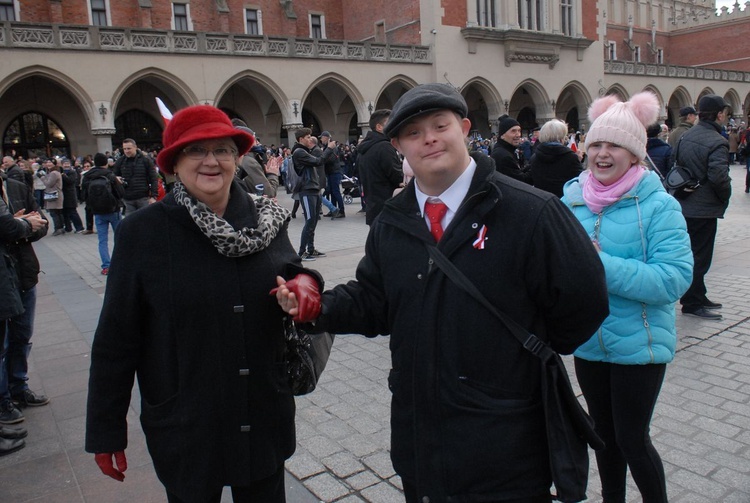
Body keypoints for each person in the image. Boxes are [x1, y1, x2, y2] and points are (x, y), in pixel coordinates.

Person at [274, 83, 609, 502]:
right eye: (414, 133)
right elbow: (376, 300)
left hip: (506, 441)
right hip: (422, 438)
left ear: (464, 127)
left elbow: (585, 299)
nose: (429, 138)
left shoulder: (530, 211)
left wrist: (521, 355)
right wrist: (318, 306)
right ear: (398, 145)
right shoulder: (393, 221)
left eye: (440, 125)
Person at [85, 105, 320, 503]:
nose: (211, 161)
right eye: (196, 151)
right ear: (174, 163)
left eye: (223, 150)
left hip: (259, 412)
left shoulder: (266, 219)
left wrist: (306, 286)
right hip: (188, 421)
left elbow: (292, 269)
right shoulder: (143, 233)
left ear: (236, 158)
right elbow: (116, 339)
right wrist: (106, 430)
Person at [561, 91, 693, 503]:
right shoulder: (572, 202)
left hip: (641, 343)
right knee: (603, 437)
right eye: (596, 144)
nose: (602, 153)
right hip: (589, 342)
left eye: (614, 145)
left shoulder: (660, 207)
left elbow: (673, 280)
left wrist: (601, 265)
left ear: (635, 154)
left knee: (633, 439)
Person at [671, 94, 733, 320]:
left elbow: (674, 165)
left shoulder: (686, 136)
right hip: (703, 208)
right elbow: (719, 177)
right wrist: (724, 196)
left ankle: (698, 293)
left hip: (684, 203)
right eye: (724, 113)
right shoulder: (717, 141)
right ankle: (692, 302)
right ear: (718, 114)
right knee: (700, 255)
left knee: (692, 252)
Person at [0, 175, 48, 428]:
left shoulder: (17, 187)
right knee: (2, 343)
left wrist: (22, 227)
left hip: (23, 272)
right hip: (1, 278)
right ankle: (3, 399)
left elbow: (42, 224)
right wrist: (20, 224)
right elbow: (6, 227)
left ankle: (19, 386)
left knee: (21, 335)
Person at [357, 109, 403, 225]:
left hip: (373, 206)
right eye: (390, 122)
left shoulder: (365, 148)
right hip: (388, 206)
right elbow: (396, 176)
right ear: (379, 127)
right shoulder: (384, 147)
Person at [81, 153, 125, 275]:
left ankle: (106, 266)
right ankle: (121, 263)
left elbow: (83, 195)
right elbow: (120, 193)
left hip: (98, 212)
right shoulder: (109, 175)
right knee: (119, 237)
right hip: (113, 210)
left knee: (102, 240)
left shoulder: (87, 176)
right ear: (106, 163)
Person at [291, 128, 326, 260]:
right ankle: (302, 252)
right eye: (307, 136)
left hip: (313, 189)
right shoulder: (299, 152)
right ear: (301, 139)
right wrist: (329, 149)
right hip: (307, 190)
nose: (310, 138)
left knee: (313, 220)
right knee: (310, 220)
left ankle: (311, 249)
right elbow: (318, 161)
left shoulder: (304, 151)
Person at [529, 119, 583, 197]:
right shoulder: (570, 157)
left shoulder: (535, 157)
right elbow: (580, 181)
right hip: (564, 201)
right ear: (561, 137)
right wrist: (578, 161)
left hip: (543, 201)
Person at [112, 138, 159, 215]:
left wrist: (153, 196)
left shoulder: (145, 160)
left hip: (143, 198)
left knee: (145, 222)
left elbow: (153, 178)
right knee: (131, 224)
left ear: (135, 147)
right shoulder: (120, 161)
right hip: (127, 199)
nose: (126, 151)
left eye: (129, 148)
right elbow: (113, 175)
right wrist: (115, 178)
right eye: (124, 149)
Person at [491, 114, 532, 184]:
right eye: (513, 131)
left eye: (519, 131)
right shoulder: (503, 155)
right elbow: (521, 182)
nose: (518, 134)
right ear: (502, 135)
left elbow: (517, 171)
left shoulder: (507, 151)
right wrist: (538, 168)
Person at [320, 132, 346, 218]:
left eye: (322, 138)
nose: (321, 139)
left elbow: (332, 159)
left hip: (334, 172)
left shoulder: (332, 147)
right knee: (332, 191)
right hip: (330, 172)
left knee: (336, 191)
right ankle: (334, 210)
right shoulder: (327, 147)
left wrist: (323, 159)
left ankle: (341, 211)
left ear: (326, 138)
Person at [38, 159, 65, 235]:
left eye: (50, 162)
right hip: (55, 194)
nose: (48, 164)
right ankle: (61, 228)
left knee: (54, 213)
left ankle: (58, 228)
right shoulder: (53, 172)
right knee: (57, 212)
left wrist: (42, 177)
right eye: (47, 162)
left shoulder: (54, 173)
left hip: (54, 195)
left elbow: (49, 184)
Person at [60, 158, 84, 234]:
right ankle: (68, 228)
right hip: (62, 195)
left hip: (70, 195)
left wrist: (63, 175)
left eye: (67, 163)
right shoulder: (60, 172)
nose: (66, 165)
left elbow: (70, 181)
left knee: (72, 212)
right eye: (64, 163)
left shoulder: (72, 172)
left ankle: (79, 227)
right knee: (64, 213)